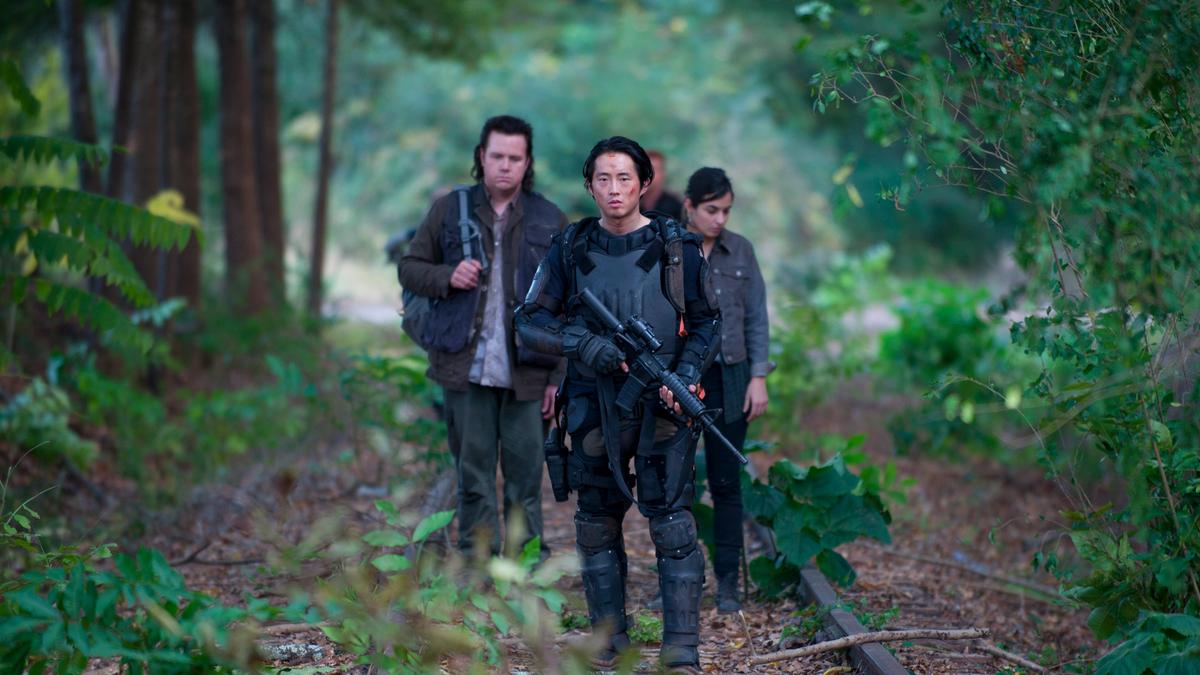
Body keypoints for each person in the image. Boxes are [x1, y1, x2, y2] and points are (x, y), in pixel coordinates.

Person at [515, 136, 720, 673]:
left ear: (644, 183)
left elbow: (707, 324)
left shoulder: (678, 248)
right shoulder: (570, 247)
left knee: (673, 524)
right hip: (593, 403)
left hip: (665, 404)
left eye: (624, 178)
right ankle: (609, 640)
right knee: (595, 523)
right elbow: (528, 321)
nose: (614, 189)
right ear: (589, 185)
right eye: (603, 179)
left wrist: (686, 376)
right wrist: (583, 344)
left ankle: (681, 647)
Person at [398, 115, 566, 558]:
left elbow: (567, 305)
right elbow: (410, 268)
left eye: (515, 158)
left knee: (525, 480)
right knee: (472, 475)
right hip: (465, 366)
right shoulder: (449, 210)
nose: (505, 166)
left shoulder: (549, 218)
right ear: (481, 156)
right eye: (497, 156)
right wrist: (447, 275)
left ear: (527, 162)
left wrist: (557, 378)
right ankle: (477, 563)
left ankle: (525, 564)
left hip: (528, 372)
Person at [683, 167, 771, 613]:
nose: (719, 219)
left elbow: (756, 317)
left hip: (732, 376)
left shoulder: (742, 251)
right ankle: (679, 581)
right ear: (690, 207)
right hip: (681, 379)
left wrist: (759, 377)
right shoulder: (669, 248)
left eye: (726, 211)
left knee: (725, 482)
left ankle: (728, 585)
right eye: (711, 210)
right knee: (675, 485)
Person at [639, 149, 683, 220]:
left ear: (663, 174)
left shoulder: (675, 207)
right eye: (645, 169)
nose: (648, 174)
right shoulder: (631, 204)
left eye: (654, 170)